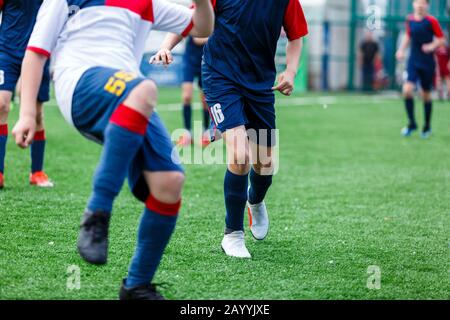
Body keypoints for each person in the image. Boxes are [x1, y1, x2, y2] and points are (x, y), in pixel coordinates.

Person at [13, 0, 214, 299]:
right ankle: (96, 214)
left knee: (170, 182)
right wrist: (27, 112)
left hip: (128, 97)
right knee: (145, 88)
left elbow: (202, 26)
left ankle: (137, 285)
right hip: (80, 84)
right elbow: (36, 53)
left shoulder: (146, 3)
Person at [154, 0, 308, 258]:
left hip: (260, 85)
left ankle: (255, 200)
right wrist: (165, 47)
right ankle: (233, 235)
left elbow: (296, 36)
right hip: (220, 78)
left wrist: (290, 71)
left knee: (265, 164)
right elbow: (191, 17)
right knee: (240, 155)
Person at [0, 0, 53, 189]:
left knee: (37, 114)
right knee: (1, 105)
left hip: (39, 54)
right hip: (6, 51)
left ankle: (37, 172)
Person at [396, 0, 445, 139]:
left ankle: (427, 126)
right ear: (413, 4)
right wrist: (401, 50)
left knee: (425, 95)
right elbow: (408, 35)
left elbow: (441, 39)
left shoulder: (431, 21)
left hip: (427, 63)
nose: (420, 5)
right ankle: (412, 123)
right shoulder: (409, 20)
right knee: (407, 90)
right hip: (413, 61)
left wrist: (431, 46)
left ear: (427, 5)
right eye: (418, 2)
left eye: (423, 3)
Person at [178, 36, 211, 147]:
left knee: (205, 100)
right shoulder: (193, 20)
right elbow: (197, 39)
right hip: (190, 60)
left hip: (206, 59)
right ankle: (187, 134)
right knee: (186, 97)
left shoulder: (213, 20)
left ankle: (206, 132)